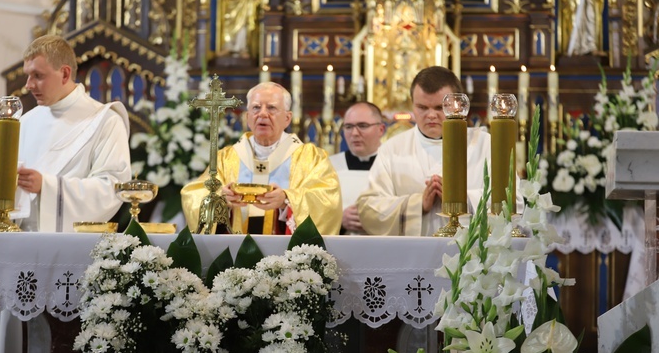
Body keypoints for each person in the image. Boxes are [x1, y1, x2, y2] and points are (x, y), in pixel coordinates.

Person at [358, 66, 516, 236]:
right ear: (412, 105)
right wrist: (418, 205)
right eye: (422, 107)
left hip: (473, 255)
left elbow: (515, 200)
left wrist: (460, 200)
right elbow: (369, 209)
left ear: (459, 105)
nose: (431, 115)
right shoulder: (393, 149)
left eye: (440, 108)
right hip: (414, 256)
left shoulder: (486, 145)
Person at [181, 82, 342, 235]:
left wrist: (287, 199)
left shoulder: (311, 157)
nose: (263, 114)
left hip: (286, 256)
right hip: (234, 252)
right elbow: (193, 195)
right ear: (248, 116)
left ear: (287, 118)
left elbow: (328, 200)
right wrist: (221, 199)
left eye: (271, 108)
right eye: (256, 108)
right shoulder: (226, 158)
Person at [14, 35, 132, 232]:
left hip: (74, 243)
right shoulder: (25, 121)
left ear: (65, 74)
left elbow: (112, 188)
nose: (29, 85)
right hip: (21, 240)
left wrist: (48, 187)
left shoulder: (106, 120)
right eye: (28, 75)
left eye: (38, 76)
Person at [330, 102, 385, 234]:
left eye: (363, 126)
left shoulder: (394, 165)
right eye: (348, 126)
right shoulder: (329, 166)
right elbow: (314, 211)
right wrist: (339, 220)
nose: (354, 133)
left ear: (381, 129)